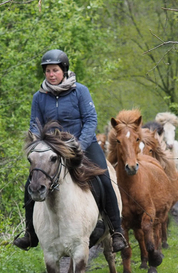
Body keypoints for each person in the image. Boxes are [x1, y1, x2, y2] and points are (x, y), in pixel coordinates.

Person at [14, 49, 127, 253]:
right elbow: (34, 124)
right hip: (53, 149)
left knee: (103, 178)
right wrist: (38, 143)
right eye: (47, 71)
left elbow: (91, 120)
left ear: (64, 70)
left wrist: (79, 146)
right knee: (31, 182)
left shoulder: (80, 91)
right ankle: (30, 233)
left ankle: (116, 231)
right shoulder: (39, 97)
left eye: (55, 70)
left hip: (83, 144)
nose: (51, 74)